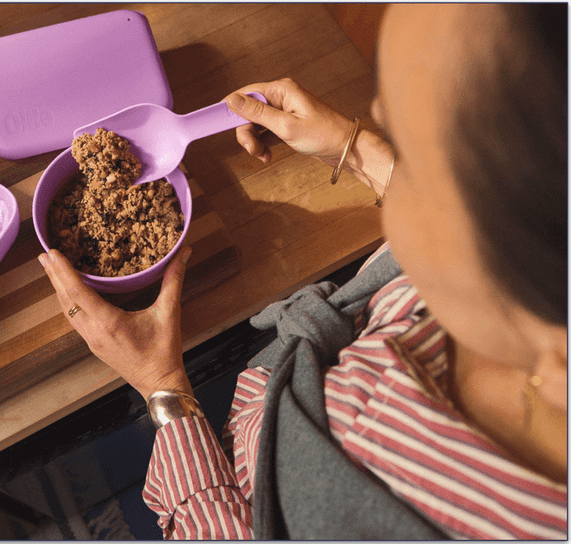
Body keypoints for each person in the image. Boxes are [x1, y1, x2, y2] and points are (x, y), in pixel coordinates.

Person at [38, 3, 567, 539]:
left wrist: (163, 387)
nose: (374, 115)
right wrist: (360, 151)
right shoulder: (532, 289)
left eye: (416, 155)